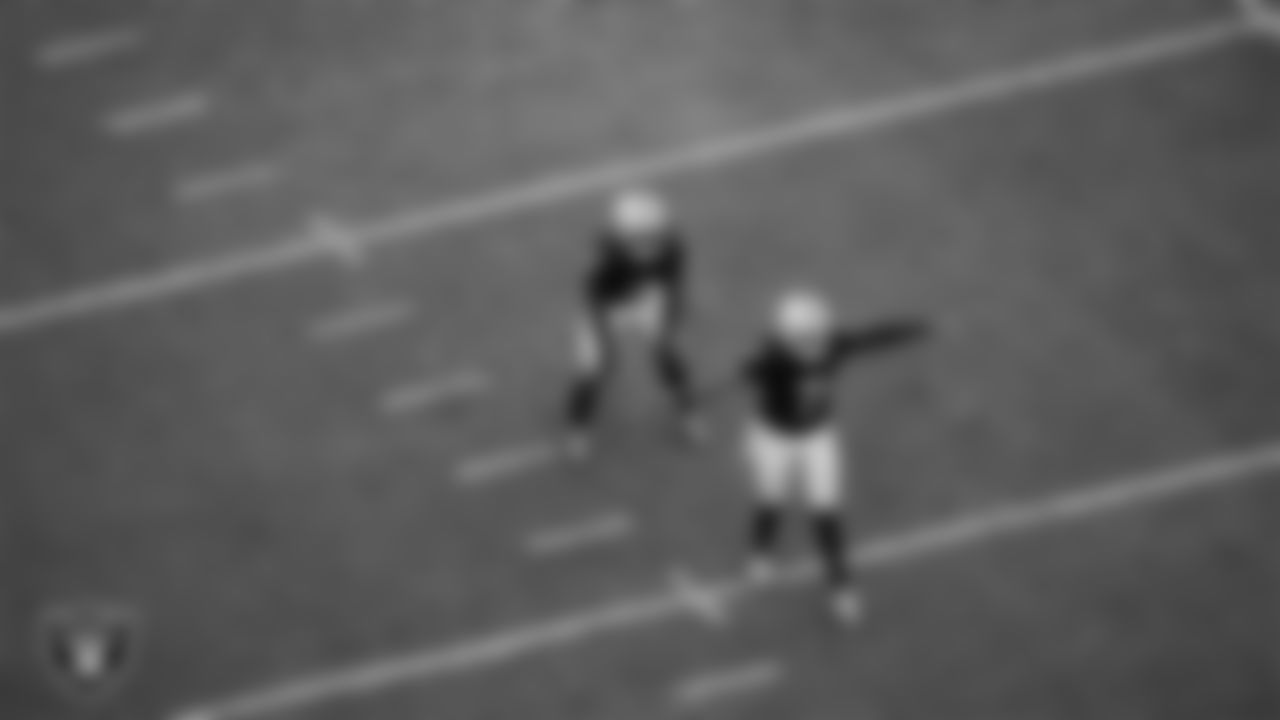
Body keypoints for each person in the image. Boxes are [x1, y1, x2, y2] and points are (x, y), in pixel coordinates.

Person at [739, 289, 927, 624]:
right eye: (805, 336)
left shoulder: (830, 345)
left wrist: (913, 328)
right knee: (770, 501)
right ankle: (761, 552)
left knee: (826, 513)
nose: (814, 341)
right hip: (773, 439)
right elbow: (751, 370)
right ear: (787, 338)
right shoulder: (772, 362)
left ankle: (841, 587)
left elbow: (873, 338)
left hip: (817, 436)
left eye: (817, 333)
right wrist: (756, 367)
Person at [562, 188, 705, 458]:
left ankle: (689, 411)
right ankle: (577, 428)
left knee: (667, 355)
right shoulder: (607, 262)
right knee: (593, 369)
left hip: (644, 299)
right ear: (622, 237)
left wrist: (668, 326)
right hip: (607, 308)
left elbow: (674, 287)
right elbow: (594, 302)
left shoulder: (671, 248)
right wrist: (605, 344)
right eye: (640, 237)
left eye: (653, 235)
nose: (649, 242)